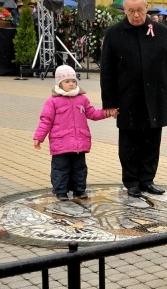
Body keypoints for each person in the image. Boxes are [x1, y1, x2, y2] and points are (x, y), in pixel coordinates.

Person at [100, 0, 167, 198]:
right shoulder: (114, 33)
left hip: (156, 96)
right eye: (131, 11)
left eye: (140, 10)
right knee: (129, 144)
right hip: (127, 97)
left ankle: (147, 180)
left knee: (152, 142)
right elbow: (107, 70)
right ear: (124, 11)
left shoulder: (162, 32)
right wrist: (109, 102)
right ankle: (132, 181)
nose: (136, 15)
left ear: (147, 8)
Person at [33, 65, 111, 201]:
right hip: (61, 143)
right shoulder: (53, 101)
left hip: (79, 143)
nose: (71, 84)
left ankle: (79, 190)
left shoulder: (82, 99)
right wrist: (39, 136)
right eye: (67, 81)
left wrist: (107, 112)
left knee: (79, 168)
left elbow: (92, 113)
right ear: (60, 83)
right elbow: (46, 120)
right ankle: (61, 191)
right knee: (60, 168)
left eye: (73, 81)